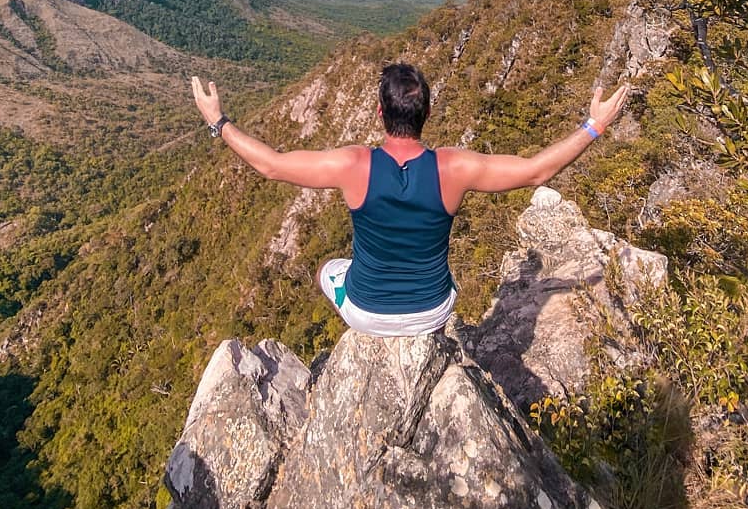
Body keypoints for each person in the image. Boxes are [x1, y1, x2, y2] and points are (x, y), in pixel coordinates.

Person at [190, 61, 629, 338]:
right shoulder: (454, 168)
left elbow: (271, 163)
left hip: (367, 312)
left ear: (381, 113)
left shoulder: (353, 165)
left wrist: (219, 122)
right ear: (428, 115)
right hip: (433, 311)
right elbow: (537, 170)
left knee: (329, 269)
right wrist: (594, 126)